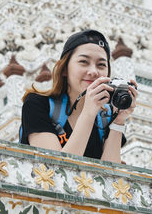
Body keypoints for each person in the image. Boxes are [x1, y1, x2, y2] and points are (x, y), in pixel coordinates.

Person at [20, 29, 138, 163]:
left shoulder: (106, 117)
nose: (94, 72)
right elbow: (58, 169)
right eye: (84, 62)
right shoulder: (38, 105)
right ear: (64, 69)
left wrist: (119, 121)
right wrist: (88, 112)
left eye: (101, 65)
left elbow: (111, 176)